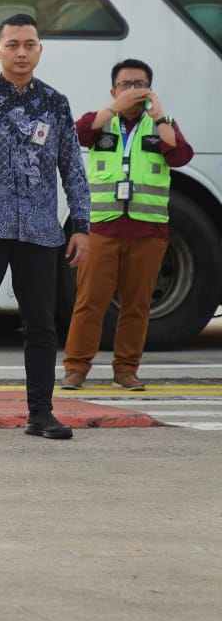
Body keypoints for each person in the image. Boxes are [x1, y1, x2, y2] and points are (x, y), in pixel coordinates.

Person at [0, 14, 89, 441]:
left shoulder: (55, 104)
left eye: (30, 44)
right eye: (13, 45)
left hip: (41, 231)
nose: (22, 52)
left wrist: (80, 224)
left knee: (42, 325)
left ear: (40, 49)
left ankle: (40, 414)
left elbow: (73, 169)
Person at [62, 58, 193, 391]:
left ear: (150, 90)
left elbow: (180, 156)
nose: (133, 90)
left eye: (140, 84)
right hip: (102, 229)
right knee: (90, 301)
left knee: (137, 304)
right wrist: (112, 108)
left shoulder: (161, 126)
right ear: (113, 90)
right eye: (126, 85)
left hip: (148, 231)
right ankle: (76, 368)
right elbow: (77, 134)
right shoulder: (100, 122)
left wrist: (160, 115)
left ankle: (126, 370)